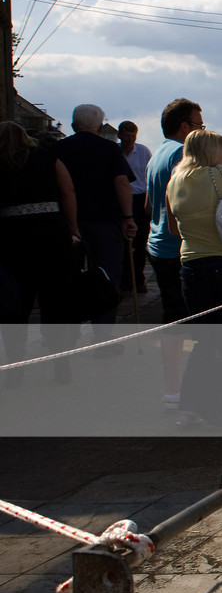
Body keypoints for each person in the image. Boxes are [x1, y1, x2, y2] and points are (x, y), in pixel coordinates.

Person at [166, 128, 222, 428]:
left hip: (192, 265)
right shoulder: (221, 175)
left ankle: (189, 407)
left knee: (204, 343)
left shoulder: (175, 180)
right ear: (210, 153)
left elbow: (173, 229)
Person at [0, 121, 79, 385]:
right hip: (52, 234)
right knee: (55, 301)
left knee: (16, 306)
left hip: (12, 238)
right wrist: (72, 226)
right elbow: (67, 190)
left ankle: (15, 366)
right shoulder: (47, 156)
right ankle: (62, 364)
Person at [53, 104, 136, 345]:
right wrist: (128, 217)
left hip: (68, 222)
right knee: (106, 277)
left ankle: (69, 334)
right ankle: (103, 336)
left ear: (72, 125)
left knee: (69, 277)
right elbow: (122, 183)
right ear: (100, 126)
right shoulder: (109, 148)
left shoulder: (58, 149)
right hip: (105, 222)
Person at [147, 98, 204, 406]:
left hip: (157, 245)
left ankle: (175, 390)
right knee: (203, 326)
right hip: (178, 248)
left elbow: (149, 205)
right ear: (185, 127)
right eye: (199, 125)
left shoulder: (156, 154)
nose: (201, 131)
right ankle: (191, 393)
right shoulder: (183, 154)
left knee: (175, 321)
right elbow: (180, 207)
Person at [117, 120, 152, 293]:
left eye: (133, 135)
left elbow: (149, 176)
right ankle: (125, 282)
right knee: (122, 243)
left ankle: (138, 279)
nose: (130, 139)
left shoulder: (143, 151)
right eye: (127, 135)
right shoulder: (115, 152)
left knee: (140, 243)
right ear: (120, 136)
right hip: (121, 198)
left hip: (139, 198)